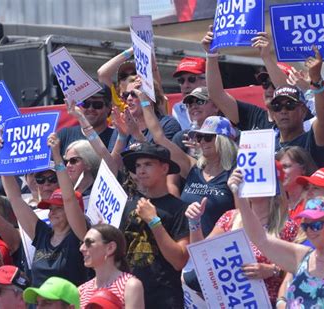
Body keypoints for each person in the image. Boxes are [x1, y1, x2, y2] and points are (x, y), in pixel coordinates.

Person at [229, 169, 324, 308]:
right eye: (305, 225)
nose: (310, 231)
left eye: (316, 225)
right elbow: (260, 238)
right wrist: (241, 197)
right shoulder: (303, 256)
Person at [184, 161, 298, 304]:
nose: (249, 183)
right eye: (246, 178)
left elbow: (298, 270)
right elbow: (201, 257)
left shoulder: (289, 227)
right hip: (230, 302)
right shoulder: (230, 218)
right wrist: (194, 222)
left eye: (256, 178)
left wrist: (272, 271)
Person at [0, 134, 90, 287]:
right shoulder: (42, 234)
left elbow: (69, 199)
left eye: (58, 208)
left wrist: (56, 156)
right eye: (50, 208)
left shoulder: (80, 236)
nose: (52, 212)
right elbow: (15, 198)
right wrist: (3, 157)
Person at [143, 93, 237, 235]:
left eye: (208, 137)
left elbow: (241, 217)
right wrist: (145, 102)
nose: (202, 142)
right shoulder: (193, 167)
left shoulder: (235, 174)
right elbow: (159, 138)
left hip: (218, 249)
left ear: (224, 140)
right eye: (199, 137)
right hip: (187, 246)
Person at [119, 143, 189, 308]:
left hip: (164, 298)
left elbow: (179, 260)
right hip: (128, 294)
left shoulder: (179, 209)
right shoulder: (129, 205)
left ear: (164, 168)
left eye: (148, 164)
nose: (141, 171)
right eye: (137, 166)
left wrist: (154, 222)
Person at [78, 224, 144, 308]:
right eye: (82, 243)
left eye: (89, 242)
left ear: (110, 248)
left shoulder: (130, 286)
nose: (81, 248)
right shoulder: (82, 291)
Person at [57, 87, 117, 155]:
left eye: (97, 105)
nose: (90, 109)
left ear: (109, 108)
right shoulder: (64, 134)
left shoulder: (116, 137)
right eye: (86, 104)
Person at [171, 86, 221, 154]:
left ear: (216, 106)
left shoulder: (227, 133)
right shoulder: (182, 138)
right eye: (190, 104)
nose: (194, 107)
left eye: (200, 102)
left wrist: (203, 151)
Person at [276, 146, 318, 222]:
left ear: (304, 169)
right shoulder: (275, 204)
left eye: (285, 167)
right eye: (278, 169)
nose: (280, 172)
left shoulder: (314, 202)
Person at [171, 57, 207, 130]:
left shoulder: (218, 104)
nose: (185, 85)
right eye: (181, 81)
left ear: (206, 80)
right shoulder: (178, 109)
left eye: (191, 79)